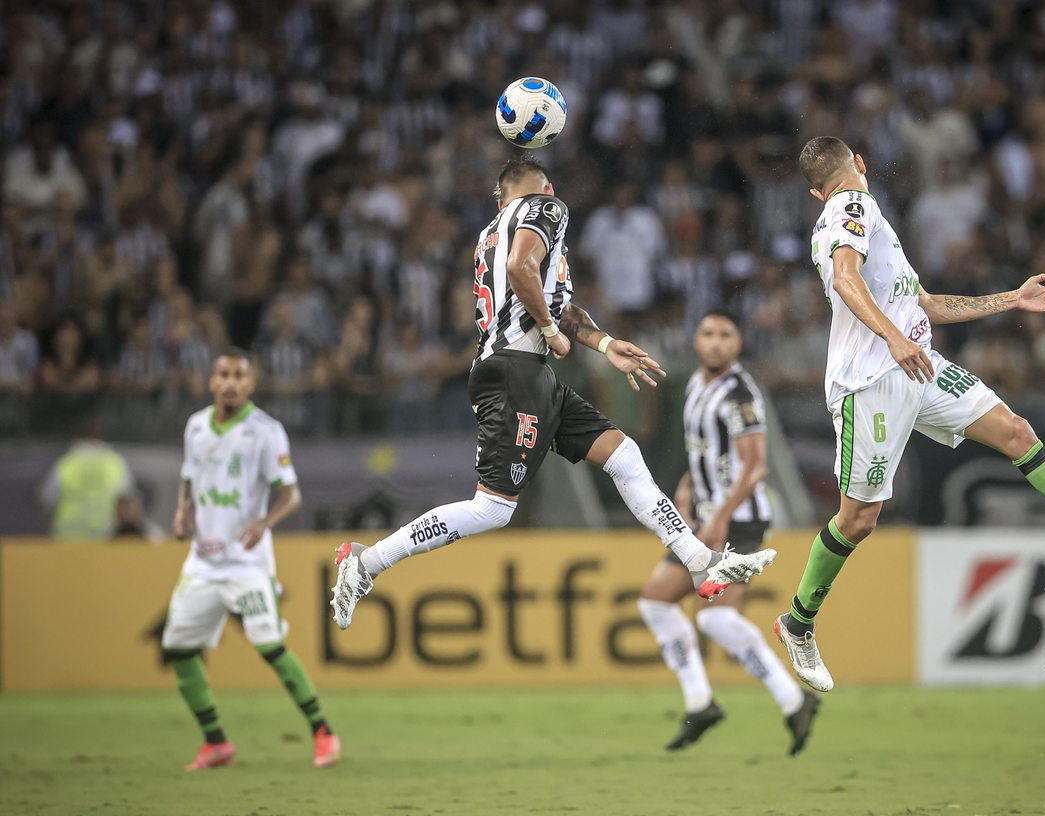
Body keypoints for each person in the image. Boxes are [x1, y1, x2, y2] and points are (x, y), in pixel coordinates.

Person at [774, 137, 1045, 693]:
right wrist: (893, 338)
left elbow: (927, 305)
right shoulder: (849, 208)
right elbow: (845, 281)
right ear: (857, 168)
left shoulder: (871, 220)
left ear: (812, 188)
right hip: (870, 382)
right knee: (859, 519)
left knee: (1015, 433)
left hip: (919, 366)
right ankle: (797, 622)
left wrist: (1011, 299)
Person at [330, 155, 776, 629]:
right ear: (542, 187)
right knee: (493, 508)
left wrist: (603, 343)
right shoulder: (545, 209)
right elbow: (526, 273)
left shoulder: (489, 233)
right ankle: (368, 561)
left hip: (523, 371)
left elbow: (552, 303)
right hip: (515, 372)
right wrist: (550, 328)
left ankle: (699, 559)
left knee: (623, 456)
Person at [638, 310, 819, 755]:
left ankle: (793, 699)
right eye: (707, 334)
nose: (715, 342)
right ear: (696, 341)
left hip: (737, 521)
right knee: (656, 602)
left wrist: (719, 517)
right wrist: (686, 490)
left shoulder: (740, 394)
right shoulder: (697, 385)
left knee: (717, 617)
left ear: (738, 343)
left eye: (725, 335)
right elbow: (701, 454)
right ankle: (703, 702)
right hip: (704, 519)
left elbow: (755, 466)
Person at [162, 348, 340, 771]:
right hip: (203, 563)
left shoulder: (266, 431)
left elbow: (292, 495)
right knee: (178, 649)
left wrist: (265, 522)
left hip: (247, 563)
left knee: (270, 646)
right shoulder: (195, 427)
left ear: (250, 384)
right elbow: (188, 478)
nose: (229, 382)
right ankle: (215, 742)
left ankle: (323, 732)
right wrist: (182, 510)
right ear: (211, 381)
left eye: (238, 376)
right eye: (222, 374)